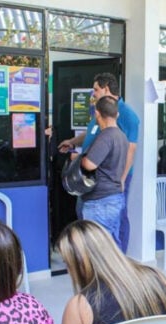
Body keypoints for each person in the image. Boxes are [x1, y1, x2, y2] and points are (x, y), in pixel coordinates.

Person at [58, 73, 139, 253]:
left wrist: (122, 179)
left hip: (110, 180)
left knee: (113, 225)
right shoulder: (102, 113)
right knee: (88, 222)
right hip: (90, 182)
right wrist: (72, 142)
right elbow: (91, 134)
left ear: (107, 89)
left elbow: (130, 150)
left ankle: (119, 261)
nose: (92, 93)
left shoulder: (126, 115)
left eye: (95, 89)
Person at [80, 96, 129, 249]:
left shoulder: (106, 136)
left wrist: (79, 159)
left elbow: (89, 164)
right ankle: (116, 273)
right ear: (117, 114)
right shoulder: (121, 136)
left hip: (100, 201)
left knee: (98, 249)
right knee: (112, 245)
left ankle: (102, 274)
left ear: (97, 113)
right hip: (114, 196)